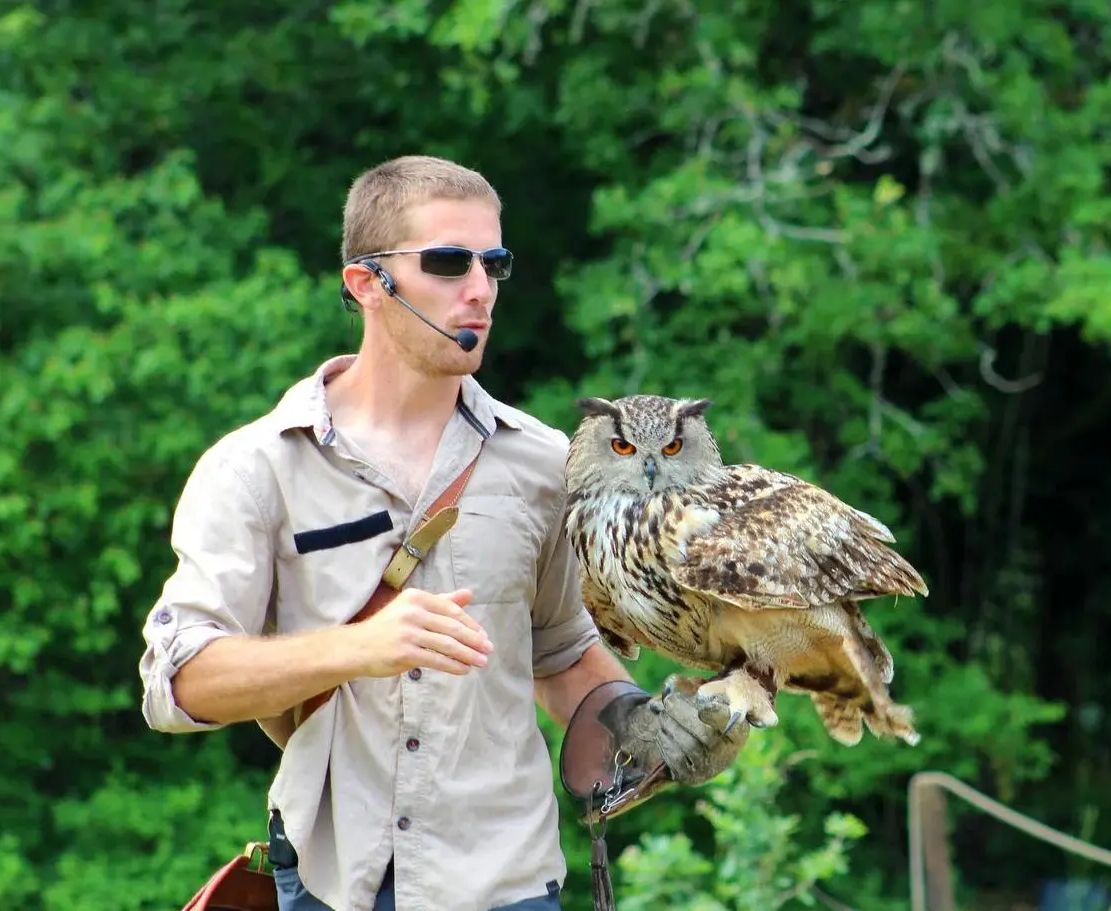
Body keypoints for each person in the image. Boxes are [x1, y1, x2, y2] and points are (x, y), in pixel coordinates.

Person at [137, 154, 749, 911]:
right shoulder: (258, 466)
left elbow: (560, 655)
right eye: (448, 261)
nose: (479, 289)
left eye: (493, 264)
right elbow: (177, 683)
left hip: (507, 882)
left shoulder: (544, 464)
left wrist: (648, 727)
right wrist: (358, 646)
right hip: (336, 883)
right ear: (366, 282)